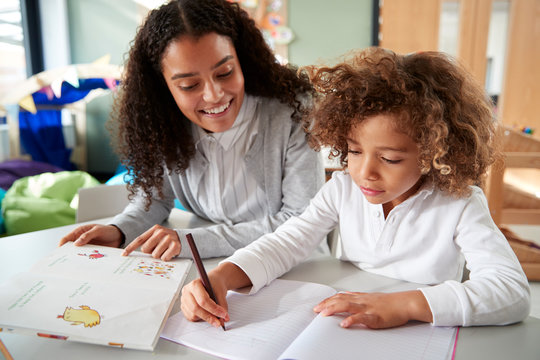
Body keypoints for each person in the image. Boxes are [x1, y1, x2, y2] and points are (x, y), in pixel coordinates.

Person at [180, 47, 531, 330]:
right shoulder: (342, 190)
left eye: (390, 159)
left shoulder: (461, 204)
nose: (365, 173)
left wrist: (406, 304)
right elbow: (288, 242)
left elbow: (512, 292)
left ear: (431, 154)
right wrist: (222, 276)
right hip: (345, 322)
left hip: (424, 332)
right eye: (354, 151)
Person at [59, 0, 324, 260]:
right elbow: (153, 201)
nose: (214, 95)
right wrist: (118, 230)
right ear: (164, 87)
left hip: (292, 266)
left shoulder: (292, 112)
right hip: (208, 266)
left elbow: (300, 221)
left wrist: (193, 242)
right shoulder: (164, 123)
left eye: (225, 72)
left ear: (242, 61)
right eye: (189, 85)